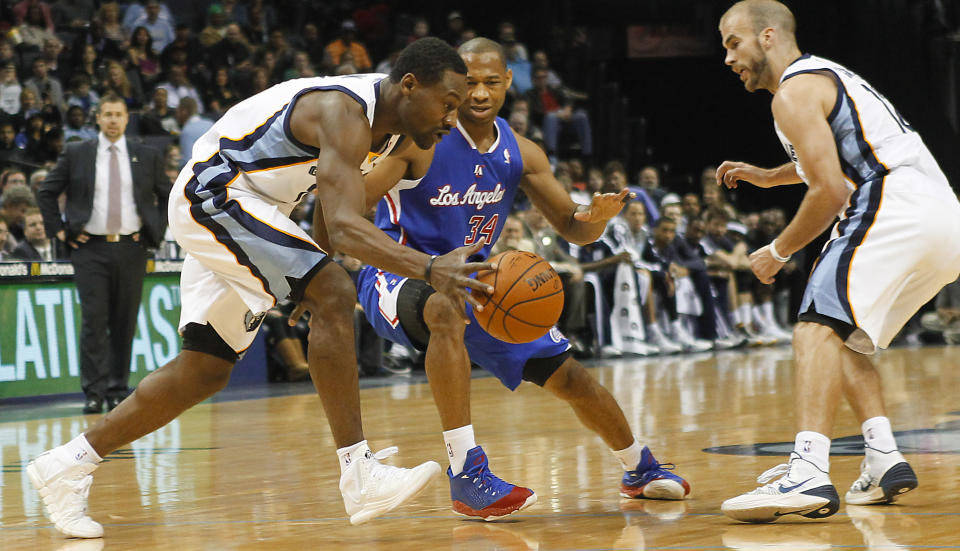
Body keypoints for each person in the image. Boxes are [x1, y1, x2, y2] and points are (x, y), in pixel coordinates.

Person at [26, 37, 489, 539]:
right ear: (409, 85)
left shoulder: (393, 132)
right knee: (334, 292)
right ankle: (359, 473)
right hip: (215, 194)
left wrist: (308, 277)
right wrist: (424, 268)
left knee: (203, 370)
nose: (452, 117)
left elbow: (340, 216)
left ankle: (66, 465)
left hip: (256, 209)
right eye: (447, 103)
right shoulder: (344, 111)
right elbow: (345, 224)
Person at [359, 37, 690, 521]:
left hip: (481, 284)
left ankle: (638, 467)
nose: (478, 93)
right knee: (443, 307)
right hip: (398, 274)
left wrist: (595, 216)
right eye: (468, 82)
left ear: (509, 82)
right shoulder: (418, 139)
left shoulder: (522, 152)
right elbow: (345, 204)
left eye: (491, 82)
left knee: (571, 377)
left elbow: (574, 227)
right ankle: (466, 474)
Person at [716, 0, 960, 523]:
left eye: (732, 43)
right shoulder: (822, 78)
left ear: (767, 37)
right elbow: (826, 161)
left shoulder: (793, 91)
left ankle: (807, 472)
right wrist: (766, 175)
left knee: (812, 329)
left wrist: (777, 251)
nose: (727, 57)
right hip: (941, 217)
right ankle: (882, 457)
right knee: (843, 341)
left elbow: (830, 190)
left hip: (893, 203)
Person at [37, 94, 170, 415]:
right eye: (107, 114)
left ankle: (118, 388)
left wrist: (153, 230)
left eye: (118, 114)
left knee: (125, 321)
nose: (112, 120)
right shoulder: (77, 152)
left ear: (127, 119)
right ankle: (94, 392)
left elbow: (169, 196)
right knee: (94, 321)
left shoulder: (146, 155)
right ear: (97, 118)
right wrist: (60, 230)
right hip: (90, 249)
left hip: (131, 247)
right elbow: (46, 191)